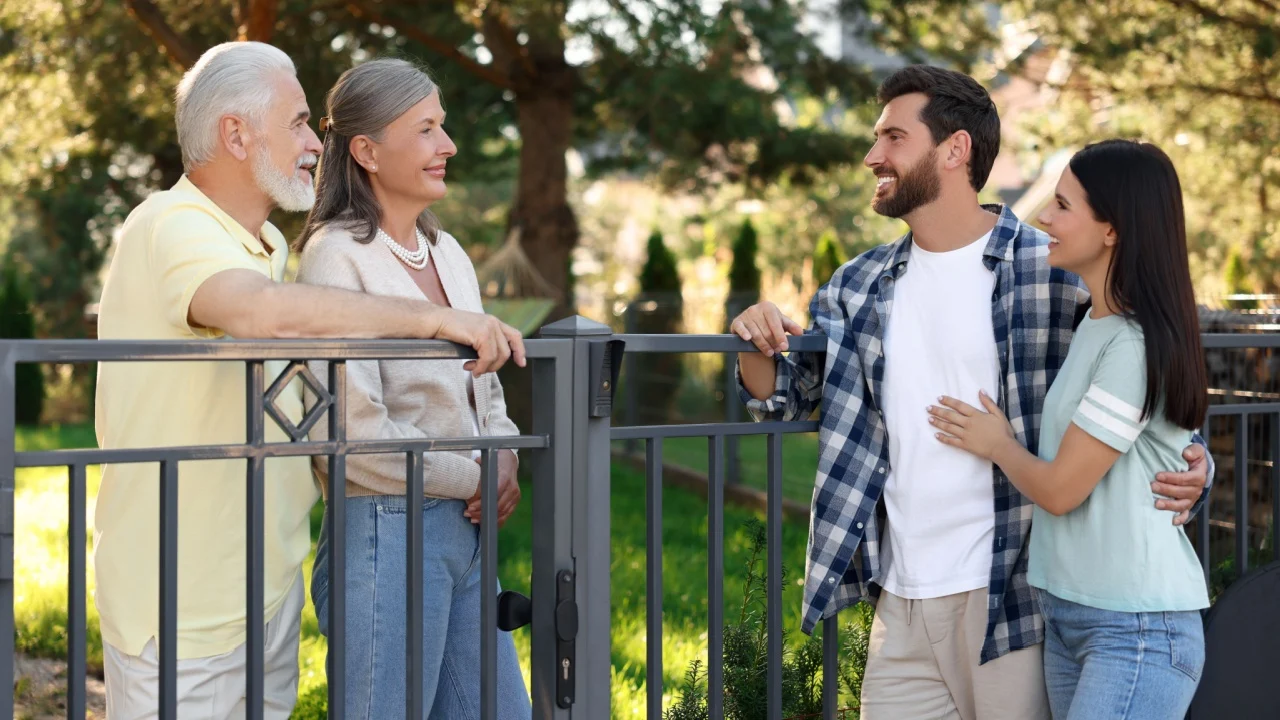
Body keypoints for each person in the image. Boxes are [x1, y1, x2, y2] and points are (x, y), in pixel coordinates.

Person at [731, 65, 1212, 719]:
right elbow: (786, 393)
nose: (873, 155)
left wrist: (1195, 464)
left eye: (893, 137)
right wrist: (754, 339)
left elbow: (1147, 378)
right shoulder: (859, 283)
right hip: (899, 599)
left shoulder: (1055, 273)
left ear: (954, 150)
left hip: (1012, 600)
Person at [94, 42, 524, 719]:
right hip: (181, 604)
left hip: (264, 594)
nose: (314, 140)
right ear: (235, 133)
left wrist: (498, 453)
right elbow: (266, 320)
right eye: (298, 121)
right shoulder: (169, 226)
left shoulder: (265, 249)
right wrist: (432, 321)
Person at [927, 140, 1209, 718]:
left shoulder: (1131, 345)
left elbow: (1061, 491)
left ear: (1112, 230)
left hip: (1134, 629)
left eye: (1063, 205)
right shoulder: (1093, 327)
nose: (1043, 218)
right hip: (1071, 617)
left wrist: (997, 445)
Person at [295, 58, 531, 719]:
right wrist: (477, 475)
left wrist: (504, 454)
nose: (447, 146)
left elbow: (486, 395)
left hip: (467, 534)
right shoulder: (334, 257)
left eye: (444, 127)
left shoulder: (447, 252)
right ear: (367, 151)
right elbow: (351, 438)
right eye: (426, 129)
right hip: (385, 533)